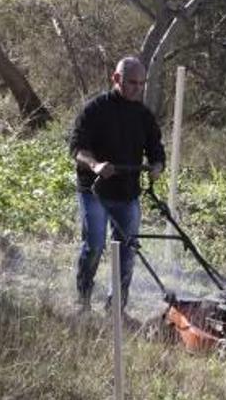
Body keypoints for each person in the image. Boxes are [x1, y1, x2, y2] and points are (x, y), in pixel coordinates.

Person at [69, 56, 165, 312]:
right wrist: (96, 165)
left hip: (127, 192)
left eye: (141, 83)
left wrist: (157, 165)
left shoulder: (143, 115)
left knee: (128, 249)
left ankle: (116, 308)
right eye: (131, 82)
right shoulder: (95, 109)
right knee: (95, 245)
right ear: (116, 78)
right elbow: (77, 148)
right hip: (94, 190)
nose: (137, 88)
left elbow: (156, 148)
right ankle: (84, 300)